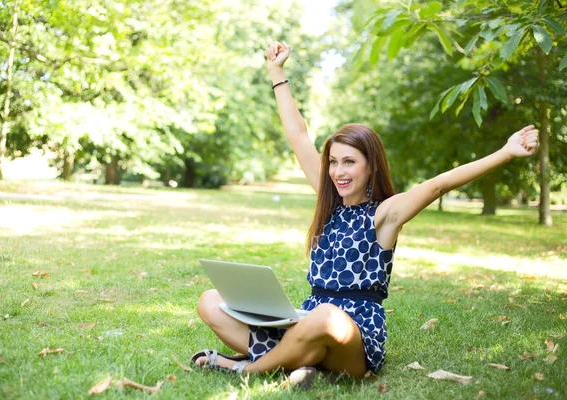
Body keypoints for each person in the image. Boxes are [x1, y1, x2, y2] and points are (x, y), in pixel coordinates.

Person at [191, 41, 540, 377]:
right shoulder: (328, 202)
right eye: (333, 162)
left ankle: (246, 367)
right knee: (210, 300)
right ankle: (302, 365)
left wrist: (505, 152)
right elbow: (298, 135)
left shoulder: (385, 214)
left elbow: (439, 184)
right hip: (304, 322)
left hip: (353, 337)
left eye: (349, 162)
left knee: (326, 317)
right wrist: (276, 73)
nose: (338, 172)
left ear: (370, 166)